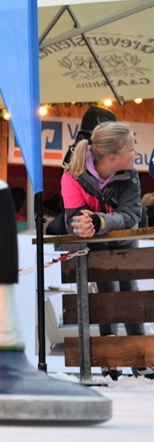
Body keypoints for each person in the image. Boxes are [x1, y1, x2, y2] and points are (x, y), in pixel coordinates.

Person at [61, 120, 144, 379]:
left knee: (129, 293)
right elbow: (72, 218)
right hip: (96, 246)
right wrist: (84, 225)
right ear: (112, 157)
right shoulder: (72, 176)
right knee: (108, 294)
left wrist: (100, 221)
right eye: (132, 148)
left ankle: (140, 354)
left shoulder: (130, 175)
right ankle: (111, 358)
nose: (135, 152)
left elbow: (131, 215)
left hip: (123, 242)